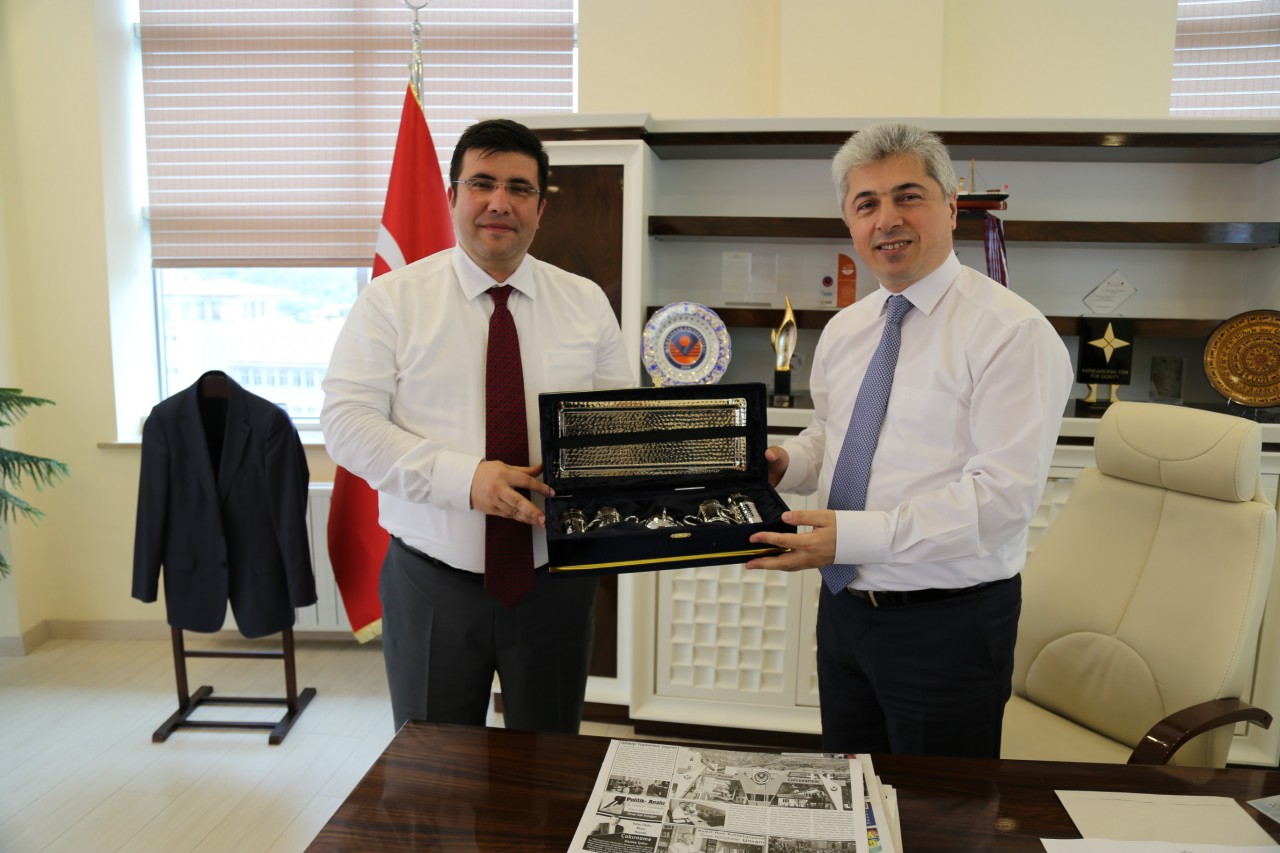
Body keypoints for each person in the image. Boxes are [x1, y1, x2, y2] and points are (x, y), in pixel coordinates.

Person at [747, 122, 1073, 758]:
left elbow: (1001, 501)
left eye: (908, 197)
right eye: (866, 204)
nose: (887, 219)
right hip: (844, 610)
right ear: (850, 222)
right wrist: (786, 464)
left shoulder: (1012, 333)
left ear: (951, 207)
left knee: (940, 807)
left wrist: (855, 536)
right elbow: (833, 434)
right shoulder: (846, 329)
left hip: (949, 623)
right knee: (852, 787)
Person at [321, 118, 633, 733]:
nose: (499, 202)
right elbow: (347, 423)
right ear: (451, 196)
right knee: (433, 770)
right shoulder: (392, 300)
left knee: (546, 765)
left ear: (540, 208)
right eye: (482, 183)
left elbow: (614, 426)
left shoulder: (585, 301)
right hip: (430, 582)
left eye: (519, 188)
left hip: (555, 582)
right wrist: (467, 480)